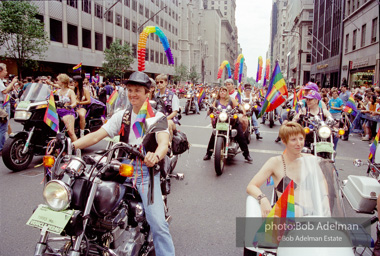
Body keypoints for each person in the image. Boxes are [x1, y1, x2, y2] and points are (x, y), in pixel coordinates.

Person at [72, 71, 175, 256]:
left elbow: (163, 144)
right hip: (121, 167)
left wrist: (155, 156)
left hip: (145, 172)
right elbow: (96, 135)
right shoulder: (122, 115)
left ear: (147, 93)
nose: (133, 94)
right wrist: (70, 145)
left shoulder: (157, 117)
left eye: (137, 90)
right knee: (91, 196)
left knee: (158, 224)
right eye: (129, 90)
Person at [246, 122, 331, 217]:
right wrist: (263, 199)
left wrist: (325, 198)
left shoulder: (310, 159)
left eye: (301, 139)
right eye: (293, 140)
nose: (299, 143)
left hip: (312, 214)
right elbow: (251, 186)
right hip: (286, 216)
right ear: (284, 141)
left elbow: (322, 181)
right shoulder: (275, 162)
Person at [203, 85, 253, 162]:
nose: (222, 92)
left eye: (224, 91)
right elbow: (211, 108)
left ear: (226, 92)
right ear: (219, 92)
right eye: (221, 91)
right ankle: (208, 153)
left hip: (231, 121)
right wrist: (209, 110)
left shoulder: (231, 100)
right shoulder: (216, 101)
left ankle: (246, 155)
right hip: (221, 121)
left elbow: (238, 106)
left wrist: (241, 110)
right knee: (213, 135)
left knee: (240, 136)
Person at [155, 74, 180, 139]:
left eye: (161, 82)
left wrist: (165, 119)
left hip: (170, 120)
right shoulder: (155, 96)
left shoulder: (172, 96)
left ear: (166, 83)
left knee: (168, 124)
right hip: (157, 120)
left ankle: (169, 144)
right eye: (157, 82)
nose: (159, 84)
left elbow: (175, 112)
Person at [0, 63, 18, 154]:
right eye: (5, 70)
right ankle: (1, 148)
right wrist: (13, 82)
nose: (6, 72)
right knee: (3, 127)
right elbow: (5, 91)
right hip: (1, 105)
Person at [55, 74, 78, 142]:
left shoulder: (70, 91)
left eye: (58, 80)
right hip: (57, 112)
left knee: (70, 132)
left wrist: (70, 106)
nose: (56, 82)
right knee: (56, 131)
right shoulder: (57, 91)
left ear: (62, 82)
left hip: (67, 112)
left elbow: (74, 102)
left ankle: (77, 148)